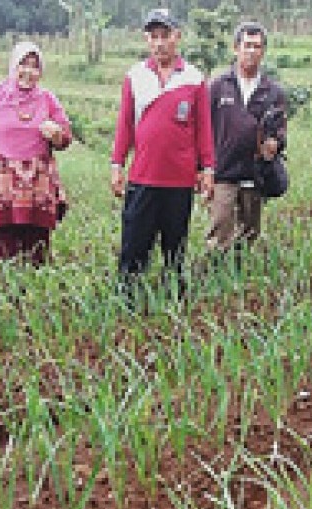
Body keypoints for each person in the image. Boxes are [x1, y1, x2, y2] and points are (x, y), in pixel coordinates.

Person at [110, 8, 215, 301]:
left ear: (177, 37)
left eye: (165, 35)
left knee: (175, 249)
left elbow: (203, 130)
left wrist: (207, 169)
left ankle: (173, 305)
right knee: (134, 246)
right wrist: (117, 164)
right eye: (153, 36)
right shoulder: (135, 76)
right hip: (143, 177)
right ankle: (127, 302)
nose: (159, 43)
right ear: (146, 39)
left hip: (179, 182)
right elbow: (124, 125)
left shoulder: (194, 79)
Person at [0, 41, 72, 270]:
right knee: (0, 255)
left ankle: (33, 301)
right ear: (13, 65)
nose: (28, 71)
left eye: (35, 66)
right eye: (23, 64)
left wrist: (56, 134)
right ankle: (2, 301)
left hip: (37, 189)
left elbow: (65, 138)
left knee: (36, 254)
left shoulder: (48, 100)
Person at [207, 22, 287, 258]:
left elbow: (281, 130)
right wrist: (202, 169)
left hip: (255, 173)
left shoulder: (273, 91)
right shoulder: (218, 86)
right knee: (220, 228)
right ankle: (215, 280)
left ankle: (239, 283)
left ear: (263, 51)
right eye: (247, 45)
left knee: (249, 233)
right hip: (223, 171)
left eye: (257, 46)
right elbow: (203, 128)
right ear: (236, 48)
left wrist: (275, 144)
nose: (251, 51)